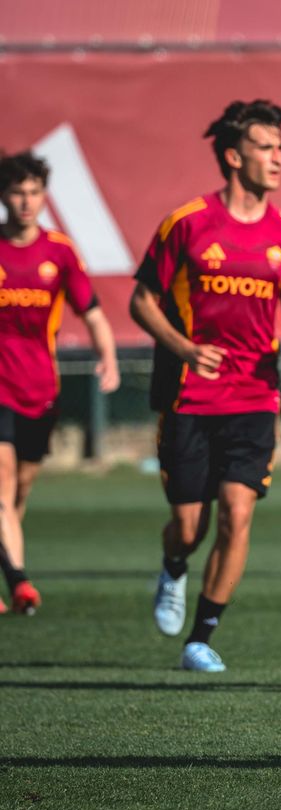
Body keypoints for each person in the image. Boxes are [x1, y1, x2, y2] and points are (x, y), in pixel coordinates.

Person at [129, 99, 281, 671]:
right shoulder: (187, 223)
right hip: (189, 395)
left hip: (254, 397)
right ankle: (174, 566)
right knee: (190, 526)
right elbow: (142, 301)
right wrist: (186, 348)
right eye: (267, 147)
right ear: (235, 157)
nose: (279, 157)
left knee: (238, 513)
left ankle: (201, 636)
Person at [0, 150, 120, 614]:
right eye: (17, 192)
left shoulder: (59, 252)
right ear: (4, 196)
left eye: (34, 193)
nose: (26, 202)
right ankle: (20, 583)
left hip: (39, 389)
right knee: (2, 482)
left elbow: (92, 313)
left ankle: (10, 571)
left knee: (18, 492)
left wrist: (107, 357)